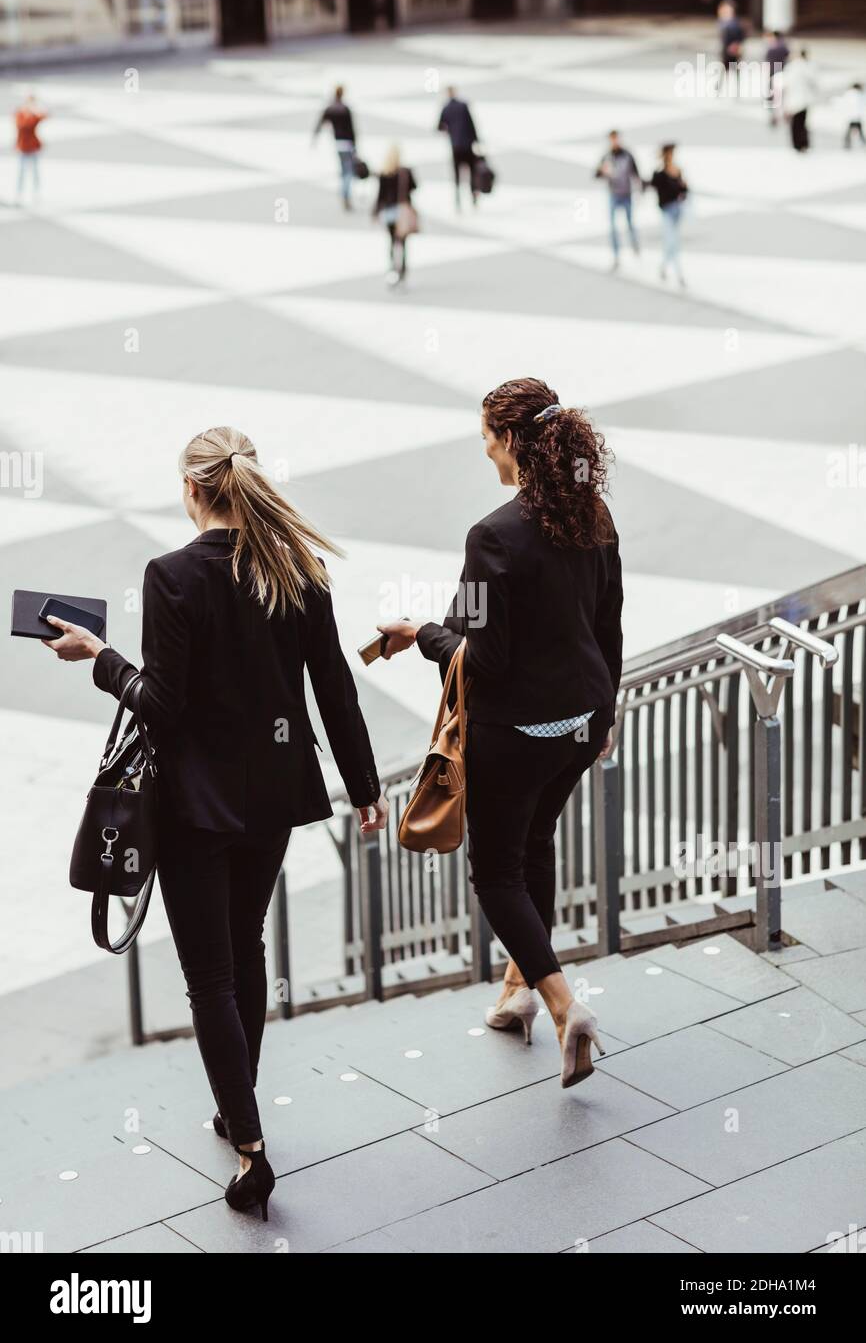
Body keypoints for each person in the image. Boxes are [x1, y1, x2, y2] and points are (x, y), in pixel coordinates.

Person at [43, 426, 388, 1221]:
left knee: (211, 979)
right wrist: (364, 784)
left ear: (192, 489)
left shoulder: (172, 576)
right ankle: (240, 1113)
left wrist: (100, 657)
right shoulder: (299, 569)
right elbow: (335, 688)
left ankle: (251, 1151)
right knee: (248, 950)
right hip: (273, 799)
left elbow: (162, 705)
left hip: (196, 809)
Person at [378, 378, 623, 1090]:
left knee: (495, 872)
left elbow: (482, 657)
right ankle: (517, 995)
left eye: (487, 435)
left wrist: (420, 632)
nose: (483, 448)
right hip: (577, 727)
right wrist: (603, 719)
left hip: (513, 737)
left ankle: (562, 1006)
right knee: (535, 844)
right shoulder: (594, 513)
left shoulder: (493, 538)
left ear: (512, 441)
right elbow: (608, 627)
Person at [595, 130, 643, 272]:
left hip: (626, 194)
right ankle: (616, 255)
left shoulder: (627, 155)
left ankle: (635, 245)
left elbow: (636, 174)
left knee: (630, 223)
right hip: (613, 195)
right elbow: (597, 174)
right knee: (613, 227)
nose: (614, 142)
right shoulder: (606, 156)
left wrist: (639, 190)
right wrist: (602, 171)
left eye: (616, 139)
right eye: (612, 139)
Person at [372, 145, 417, 288]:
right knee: (402, 243)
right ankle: (402, 270)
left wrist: (375, 212)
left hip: (388, 212)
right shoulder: (405, 172)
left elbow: (380, 196)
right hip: (402, 212)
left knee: (391, 241)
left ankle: (392, 267)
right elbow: (414, 187)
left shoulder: (384, 173)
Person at [647, 143, 688, 287]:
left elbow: (684, 192)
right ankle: (679, 273)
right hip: (666, 211)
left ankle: (663, 267)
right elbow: (652, 185)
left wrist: (683, 187)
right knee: (672, 241)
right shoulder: (659, 173)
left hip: (677, 210)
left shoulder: (677, 170)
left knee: (672, 241)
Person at [313, 85, 357, 211]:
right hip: (347, 143)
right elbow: (352, 129)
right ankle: (345, 194)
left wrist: (315, 139)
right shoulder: (345, 109)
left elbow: (320, 123)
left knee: (343, 169)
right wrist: (355, 146)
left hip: (338, 143)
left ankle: (343, 192)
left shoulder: (330, 109)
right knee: (348, 171)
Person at [437, 86, 479, 210]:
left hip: (455, 146)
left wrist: (449, 130)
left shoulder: (446, 108)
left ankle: (458, 199)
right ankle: (472, 197)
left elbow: (439, 126)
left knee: (457, 174)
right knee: (471, 171)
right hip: (467, 145)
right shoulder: (463, 105)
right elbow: (471, 124)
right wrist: (476, 140)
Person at [781, 48, 819, 152]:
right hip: (805, 99)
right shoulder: (809, 66)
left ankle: (797, 144)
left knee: (796, 124)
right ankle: (804, 143)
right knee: (803, 123)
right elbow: (815, 83)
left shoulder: (792, 67)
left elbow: (786, 84)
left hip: (795, 99)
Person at [14, 93, 46, 204]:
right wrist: (31, 115)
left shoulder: (33, 115)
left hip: (33, 147)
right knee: (22, 172)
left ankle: (36, 194)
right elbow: (23, 126)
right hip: (23, 147)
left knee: (35, 172)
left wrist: (36, 112)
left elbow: (45, 116)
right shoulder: (20, 114)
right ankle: (19, 194)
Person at [764, 30, 790, 125]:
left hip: (773, 73)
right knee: (782, 95)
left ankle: (775, 114)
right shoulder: (784, 47)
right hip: (782, 72)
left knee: (774, 95)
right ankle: (784, 113)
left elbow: (767, 61)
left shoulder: (771, 48)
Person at [718, 0, 745, 78]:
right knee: (725, 67)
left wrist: (736, 45)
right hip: (726, 50)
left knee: (734, 67)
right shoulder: (723, 22)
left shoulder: (735, 24)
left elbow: (741, 36)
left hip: (733, 50)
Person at [841, 82, 865, 149]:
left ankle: (847, 144)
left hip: (850, 117)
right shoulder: (861, 95)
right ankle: (863, 143)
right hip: (857, 116)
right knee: (860, 132)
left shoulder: (848, 94)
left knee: (848, 132)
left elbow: (844, 104)